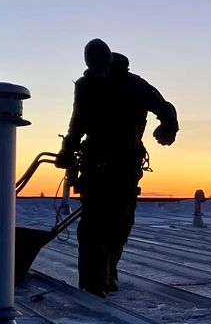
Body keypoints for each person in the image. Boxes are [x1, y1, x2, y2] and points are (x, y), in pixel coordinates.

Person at [56, 39, 178, 296]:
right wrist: (67, 150)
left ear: (109, 62)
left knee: (120, 222)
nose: (98, 70)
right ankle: (93, 281)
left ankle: (109, 271)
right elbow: (77, 121)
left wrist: (168, 126)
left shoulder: (134, 85)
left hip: (125, 164)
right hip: (94, 163)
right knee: (93, 224)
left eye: (101, 65)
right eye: (93, 66)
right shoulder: (86, 86)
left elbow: (165, 108)